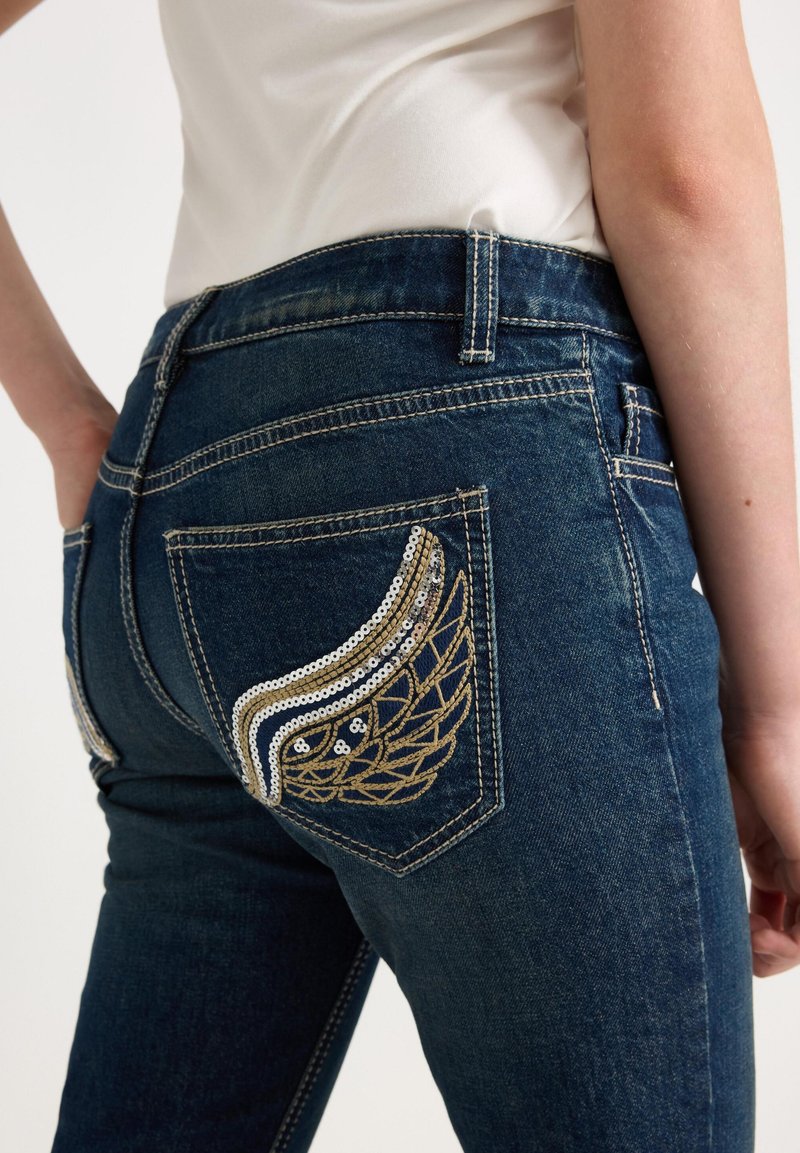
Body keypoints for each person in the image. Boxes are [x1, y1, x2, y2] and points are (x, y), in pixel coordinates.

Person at [1, 0, 798, 1149]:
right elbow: (682, 175)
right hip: (468, 443)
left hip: (177, 486)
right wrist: (773, 706)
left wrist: (70, 428)